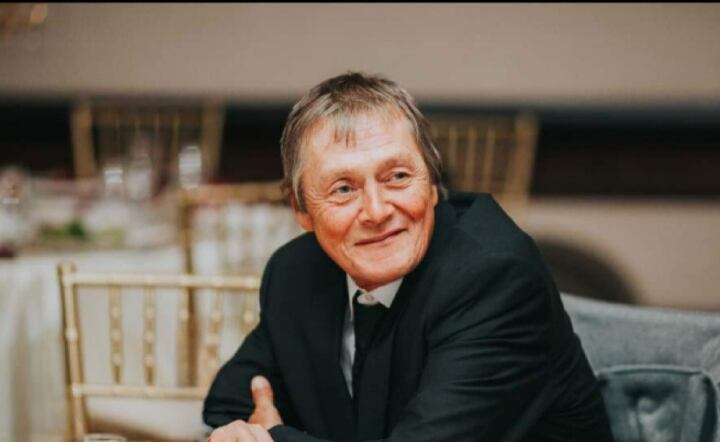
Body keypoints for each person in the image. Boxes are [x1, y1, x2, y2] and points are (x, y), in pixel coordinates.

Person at [203, 72, 613, 442]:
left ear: (433, 186)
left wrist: (276, 437)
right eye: (344, 189)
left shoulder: (495, 277)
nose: (378, 211)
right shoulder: (296, 272)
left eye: (397, 177)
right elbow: (227, 404)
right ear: (302, 211)